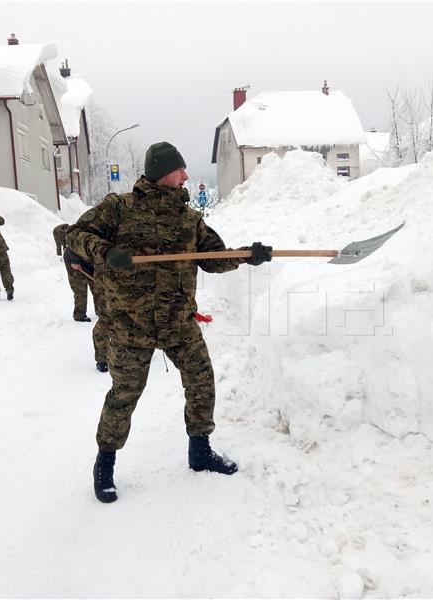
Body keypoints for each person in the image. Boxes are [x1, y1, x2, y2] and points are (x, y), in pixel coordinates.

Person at [66, 141, 272, 503]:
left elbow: (211, 257)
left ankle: (200, 450)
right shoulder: (119, 208)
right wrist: (106, 251)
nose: (187, 176)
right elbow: (76, 236)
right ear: (164, 172)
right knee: (124, 395)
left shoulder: (189, 218)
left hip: (179, 322)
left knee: (201, 381)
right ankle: (105, 465)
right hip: (132, 325)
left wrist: (246, 256)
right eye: (181, 170)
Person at [54, 223, 111, 371]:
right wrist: (75, 262)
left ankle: (100, 309)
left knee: (96, 289)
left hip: (92, 264)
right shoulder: (87, 234)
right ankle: (79, 314)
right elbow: (71, 244)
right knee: (80, 289)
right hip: (75, 261)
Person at [53, 223, 92, 322]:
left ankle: (101, 311)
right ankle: (79, 315)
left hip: (82, 257)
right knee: (80, 287)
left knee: (95, 285)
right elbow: (69, 246)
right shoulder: (78, 234)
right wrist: (75, 261)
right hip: (72, 258)